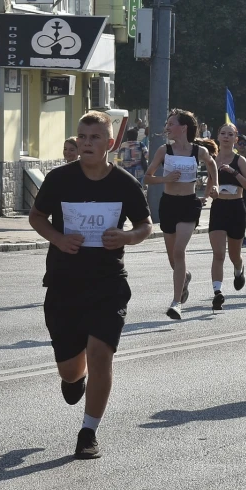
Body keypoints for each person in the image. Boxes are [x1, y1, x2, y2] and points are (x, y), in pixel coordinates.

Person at [28, 111, 153, 459]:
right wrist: (57, 238)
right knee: (71, 369)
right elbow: (36, 217)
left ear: (110, 144)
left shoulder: (124, 183)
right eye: (82, 136)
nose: (86, 142)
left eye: (95, 137)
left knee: (101, 355)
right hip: (64, 282)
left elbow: (146, 226)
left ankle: (88, 432)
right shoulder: (59, 179)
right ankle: (73, 379)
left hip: (107, 283)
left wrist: (126, 237)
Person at [143, 109, 219, 319]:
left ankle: (176, 303)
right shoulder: (163, 150)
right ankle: (184, 277)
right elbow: (148, 178)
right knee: (172, 259)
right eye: (167, 124)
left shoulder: (198, 151)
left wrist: (214, 187)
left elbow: (213, 166)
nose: (167, 128)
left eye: (171, 124)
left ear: (183, 127)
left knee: (179, 251)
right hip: (168, 204)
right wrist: (166, 179)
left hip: (188, 204)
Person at [205, 124, 246, 310]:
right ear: (218, 136)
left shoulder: (240, 160)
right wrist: (206, 196)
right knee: (218, 254)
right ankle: (217, 292)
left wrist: (234, 173)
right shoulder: (212, 159)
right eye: (223, 133)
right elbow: (210, 183)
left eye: (230, 134)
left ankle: (238, 268)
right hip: (218, 207)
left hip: (236, 207)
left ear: (236, 139)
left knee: (234, 255)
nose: (226, 137)